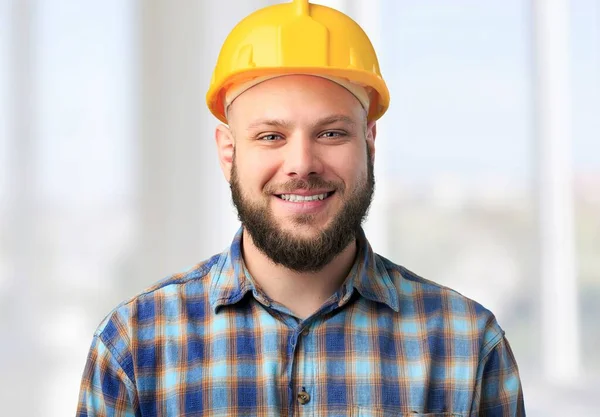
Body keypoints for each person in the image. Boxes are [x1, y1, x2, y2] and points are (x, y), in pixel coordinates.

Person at [76, 0, 525, 415]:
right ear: (229, 153)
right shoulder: (135, 346)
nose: (301, 165)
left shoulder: (468, 345)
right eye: (271, 136)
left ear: (369, 143)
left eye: (331, 133)